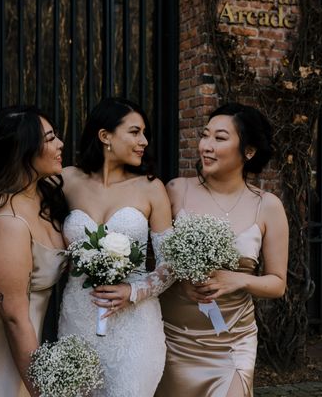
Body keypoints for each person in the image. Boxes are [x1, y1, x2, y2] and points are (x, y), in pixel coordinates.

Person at [156, 102, 289, 397]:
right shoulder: (176, 190)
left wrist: (237, 279)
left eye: (220, 138)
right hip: (175, 339)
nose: (206, 145)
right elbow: (154, 261)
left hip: (233, 342)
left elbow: (277, 284)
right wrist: (178, 281)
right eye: (205, 136)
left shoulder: (267, 206)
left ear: (249, 151)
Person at [57, 97, 174, 397]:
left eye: (144, 133)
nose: (144, 141)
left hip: (134, 324)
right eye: (135, 132)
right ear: (105, 136)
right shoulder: (67, 180)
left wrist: (133, 291)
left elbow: (170, 263)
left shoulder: (151, 188)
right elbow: (22, 196)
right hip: (78, 319)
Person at [0, 106, 68, 397]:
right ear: (23, 150)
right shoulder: (8, 223)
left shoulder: (44, 195)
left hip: (28, 350)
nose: (60, 144)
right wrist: (42, 389)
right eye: (50, 138)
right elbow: (15, 318)